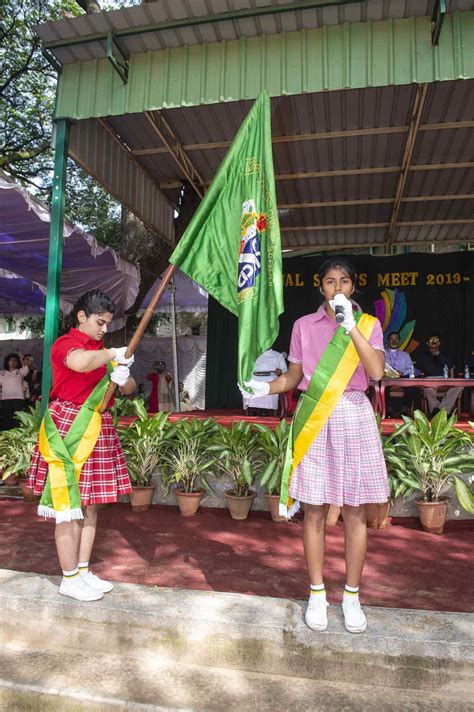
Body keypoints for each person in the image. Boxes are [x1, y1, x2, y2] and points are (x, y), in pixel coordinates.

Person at [243, 257, 387, 634]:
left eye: (343, 281)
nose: (336, 288)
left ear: (353, 287)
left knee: (355, 512)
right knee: (314, 512)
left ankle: (352, 597)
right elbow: (293, 377)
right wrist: (265, 387)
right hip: (314, 419)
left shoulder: (369, 325)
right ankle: (317, 593)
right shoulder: (303, 326)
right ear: (319, 287)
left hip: (354, 415)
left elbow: (375, 373)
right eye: (329, 282)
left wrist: (351, 327)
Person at [28, 289, 136, 602]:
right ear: (81, 318)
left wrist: (123, 374)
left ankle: (83, 569)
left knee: (90, 505)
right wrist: (113, 354)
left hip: (97, 426)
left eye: (107, 324)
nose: (104, 329)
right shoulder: (67, 343)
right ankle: (69, 577)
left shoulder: (103, 349)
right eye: (100, 323)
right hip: (69, 428)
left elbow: (128, 388)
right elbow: (80, 363)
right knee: (69, 506)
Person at [415, 335, 463, 416]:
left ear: (439, 343)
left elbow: (450, 365)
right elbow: (420, 369)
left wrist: (439, 355)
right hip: (430, 379)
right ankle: (443, 412)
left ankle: (438, 410)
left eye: (436, 340)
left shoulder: (445, 354)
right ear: (427, 343)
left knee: (459, 386)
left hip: (445, 379)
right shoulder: (423, 356)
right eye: (431, 340)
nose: (434, 342)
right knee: (427, 388)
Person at [242, 348, 288, 416]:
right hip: (255, 376)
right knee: (249, 383)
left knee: (271, 383)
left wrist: (280, 371)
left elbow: (285, 370)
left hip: (270, 377)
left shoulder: (278, 355)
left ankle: (265, 410)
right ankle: (252, 409)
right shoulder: (253, 354)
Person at [384, 332, 420, 417]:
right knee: (382, 387)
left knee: (413, 389)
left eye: (396, 339)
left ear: (399, 341)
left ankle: (405, 410)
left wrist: (402, 372)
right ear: (388, 341)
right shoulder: (382, 354)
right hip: (387, 379)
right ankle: (387, 410)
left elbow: (411, 368)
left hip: (402, 378)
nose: (394, 341)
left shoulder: (405, 355)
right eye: (391, 339)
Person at [0, 353, 28, 430]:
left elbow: (26, 370)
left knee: (17, 419)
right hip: (5, 399)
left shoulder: (20, 371)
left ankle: (17, 437)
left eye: (15, 360)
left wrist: (22, 360)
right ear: (8, 362)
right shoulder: (2, 373)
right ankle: (7, 438)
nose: (13, 362)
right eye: (11, 360)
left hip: (18, 398)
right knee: (7, 419)